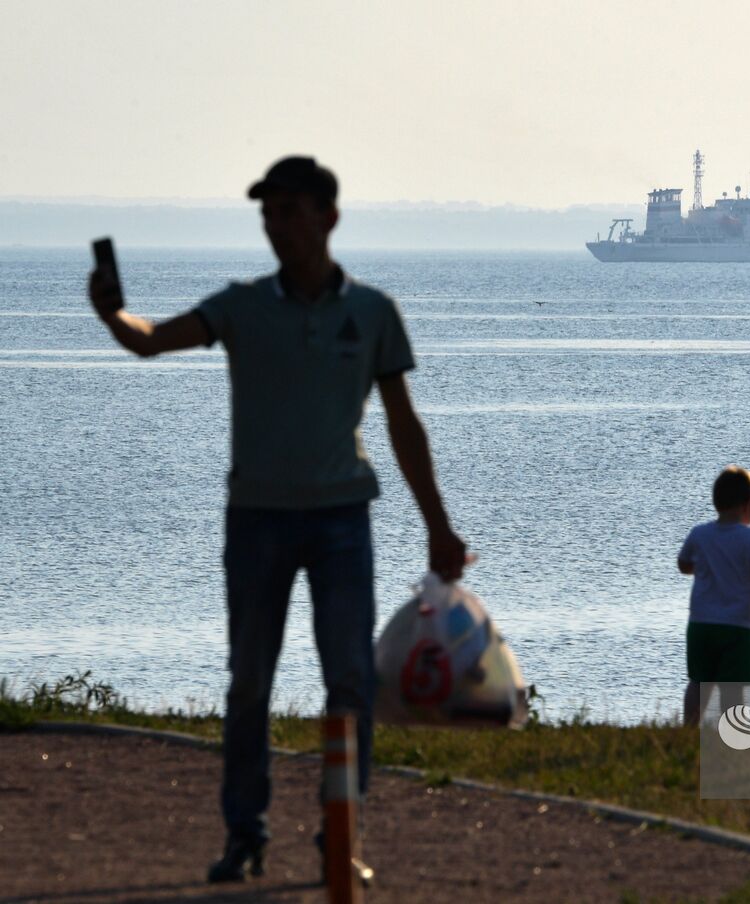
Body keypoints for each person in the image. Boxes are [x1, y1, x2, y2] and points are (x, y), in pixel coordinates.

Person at [87, 156, 469, 882]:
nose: (276, 225)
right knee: (248, 684)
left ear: (328, 217)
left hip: (342, 523)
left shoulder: (374, 313)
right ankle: (245, 834)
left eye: (290, 211)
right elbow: (148, 340)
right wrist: (111, 312)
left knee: (351, 681)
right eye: (268, 213)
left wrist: (439, 526)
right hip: (256, 519)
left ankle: (339, 833)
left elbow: (404, 426)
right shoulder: (241, 306)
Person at [677, 466, 750, 726]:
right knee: (733, 687)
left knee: (699, 681)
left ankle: (689, 728)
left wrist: (703, 566)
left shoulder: (700, 534)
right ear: (748, 504)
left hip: (701, 624)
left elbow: (683, 564)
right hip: (736, 626)